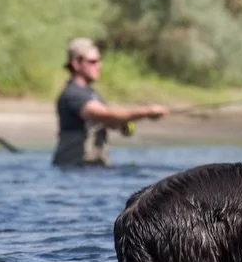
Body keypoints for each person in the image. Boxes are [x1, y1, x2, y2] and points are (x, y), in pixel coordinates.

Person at [55, 38, 171, 167]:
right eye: (93, 61)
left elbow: (112, 123)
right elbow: (105, 115)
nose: (99, 65)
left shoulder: (93, 94)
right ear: (76, 63)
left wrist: (124, 125)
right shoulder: (73, 94)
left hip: (92, 169)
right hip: (73, 171)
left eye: (100, 60)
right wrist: (147, 111)